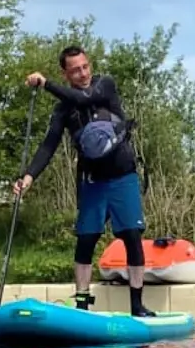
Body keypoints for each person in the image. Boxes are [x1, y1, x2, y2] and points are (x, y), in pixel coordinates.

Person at [13, 45, 156, 317]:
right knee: (86, 240)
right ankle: (81, 303)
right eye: (76, 70)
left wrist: (46, 84)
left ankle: (137, 306)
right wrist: (28, 177)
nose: (83, 73)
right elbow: (48, 145)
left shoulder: (105, 85)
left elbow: (83, 98)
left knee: (131, 237)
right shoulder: (62, 110)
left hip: (122, 176)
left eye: (85, 67)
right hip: (93, 182)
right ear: (65, 73)